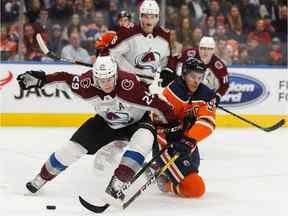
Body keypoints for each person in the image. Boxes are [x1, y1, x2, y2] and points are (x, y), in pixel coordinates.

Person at [16, 55, 175, 203]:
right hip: (106, 123)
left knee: (145, 139)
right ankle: (41, 177)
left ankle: (118, 181)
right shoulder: (86, 84)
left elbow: (158, 104)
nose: (106, 84)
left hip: (137, 122)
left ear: (116, 76)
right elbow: (65, 79)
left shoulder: (130, 85)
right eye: (101, 80)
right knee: (71, 149)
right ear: (94, 77)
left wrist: (174, 125)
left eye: (109, 79)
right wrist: (43, 79)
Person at [152, 58, 216, 198]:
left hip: (186, 143)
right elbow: (156, 121)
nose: (196, 81)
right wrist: (171, 132)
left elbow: (208, 122)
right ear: (184, 74)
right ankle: (165, 183)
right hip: (166, 144)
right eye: (193, 76)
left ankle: (159, 170)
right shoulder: (171, 93)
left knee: (194, 168)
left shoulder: (205, 95)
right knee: (195, 189)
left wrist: (189, 139)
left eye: (200, 77)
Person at [171, 36, 229, 105]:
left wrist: (217, 96)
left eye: (209, 49)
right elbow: (174, 59)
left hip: (200, 93)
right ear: (198, 48)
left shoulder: (219, 65)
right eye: (202, 48)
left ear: (213, 50)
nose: (205, 52)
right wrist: (171, 72)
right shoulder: (191, 53)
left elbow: (225, 85)